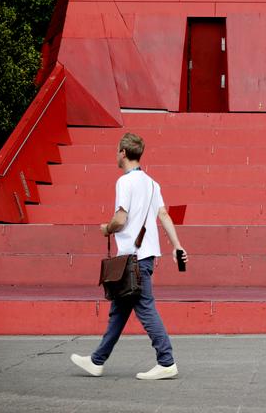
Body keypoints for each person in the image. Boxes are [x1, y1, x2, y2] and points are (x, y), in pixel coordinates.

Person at [70, 132, 188, 380]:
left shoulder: (124, 182)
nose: (116, 155)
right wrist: (177, 245)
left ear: (123, 153)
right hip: (142, 258)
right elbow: (164, 215)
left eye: (116, 151)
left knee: (145, 307)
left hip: (133, 259)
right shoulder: (152, 183)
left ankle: (166, 361)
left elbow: (120, 219)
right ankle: (96, 360)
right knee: (119, 311)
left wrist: (107, 228)